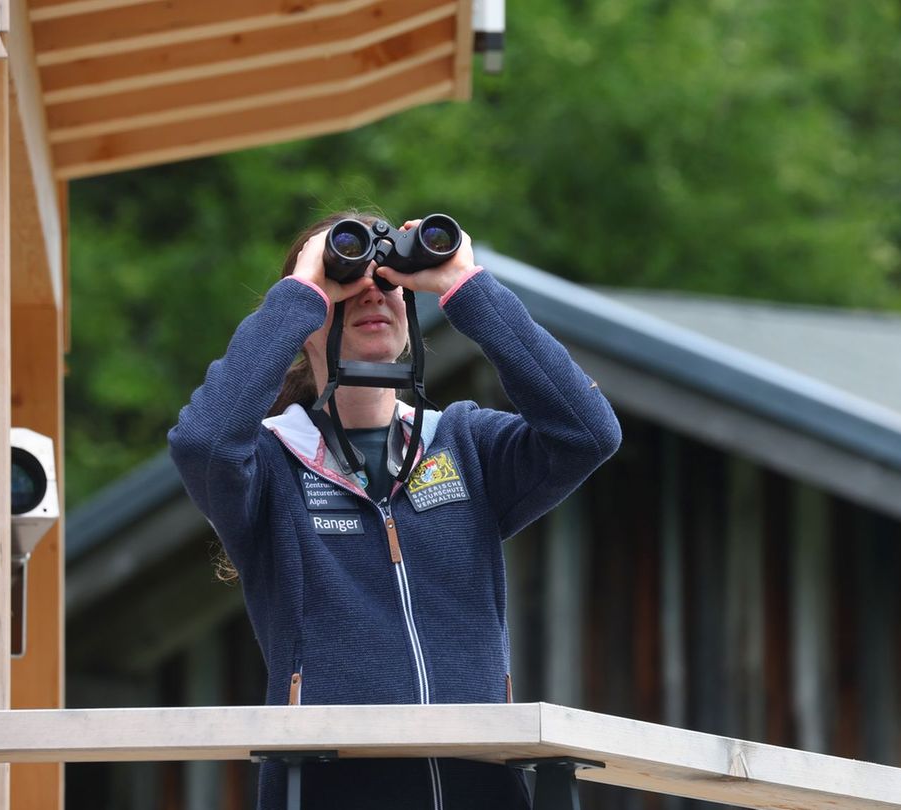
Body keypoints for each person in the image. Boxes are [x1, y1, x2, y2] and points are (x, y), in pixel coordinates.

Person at [169, 211, 622, 809]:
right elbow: (203, 440)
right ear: (305, 321)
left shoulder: (466, 445)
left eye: (391, 281)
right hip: (330, 791)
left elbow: (588, 432)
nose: (372, 291)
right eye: (345, 282)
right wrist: (300, 294)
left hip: (482, 791)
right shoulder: (270, 467)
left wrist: (467, 286)